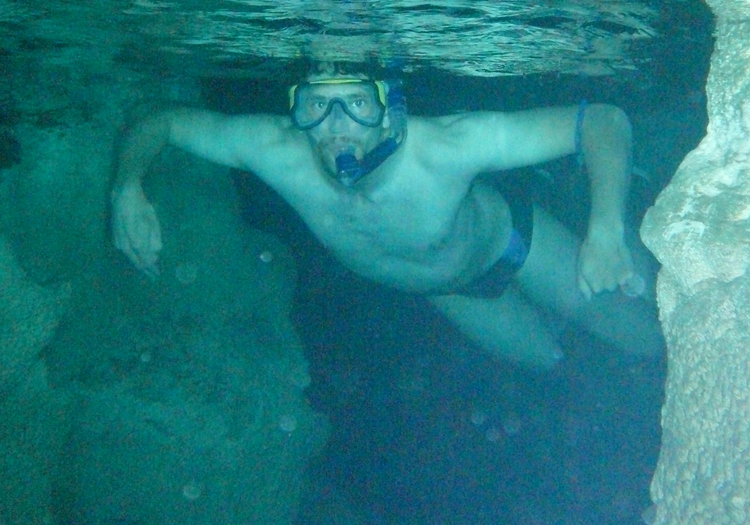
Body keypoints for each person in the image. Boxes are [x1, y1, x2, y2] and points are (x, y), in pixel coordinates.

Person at [111, 68, 662, 370]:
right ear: (297, 110)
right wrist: (127, 187)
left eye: (356, 105)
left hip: (513, 244)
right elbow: (161, 122)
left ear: (388, 112)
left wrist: (605, 230)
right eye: (316, 106)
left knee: (644, 341)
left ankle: (620, 233)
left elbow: (602, 122)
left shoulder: (446, 145)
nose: (335, 127)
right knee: (548, 361)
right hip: (447, 291)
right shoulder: (275, 150)